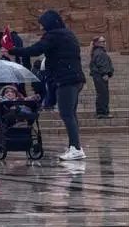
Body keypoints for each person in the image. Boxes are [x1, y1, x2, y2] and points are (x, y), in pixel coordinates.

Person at [8, 10, 87, 160]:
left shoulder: (54, 36)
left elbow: (35, 50)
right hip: (76, 79)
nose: (41, 28)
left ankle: (76, 148)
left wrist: (13, 50)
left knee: (67, 114)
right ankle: (75, 146)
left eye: (42, 24)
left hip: (66, 79)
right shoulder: (68, 34)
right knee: (71, 114)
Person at [90, 36, 114, 119]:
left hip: (98, 75)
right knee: (103, 94)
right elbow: (101, 64)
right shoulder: (99, 52)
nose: (104, 43)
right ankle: (102, 112)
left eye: (104, 41)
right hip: (100, 76)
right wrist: (105, 74)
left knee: (102, 93)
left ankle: (102, 112)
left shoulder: (98, 51)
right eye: (102, 41)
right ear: (96, 43)